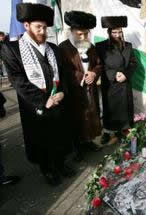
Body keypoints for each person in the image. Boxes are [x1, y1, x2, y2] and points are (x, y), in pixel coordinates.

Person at [1, 3, 74, 186]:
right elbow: (17, 80)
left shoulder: (53, 48)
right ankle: (47, 170)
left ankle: (60, 164)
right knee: (41, 140)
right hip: (35, 106)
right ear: (26, 26)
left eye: (44, 27)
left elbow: (63, 74)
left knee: (59, 136)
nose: (42, 31)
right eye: (38, 27)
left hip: (57, 101)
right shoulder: (12, 49)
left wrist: (63, 92)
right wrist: (43, 100)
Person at [59, 11, 102, 161]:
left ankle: (89, 142)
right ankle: (77, 148)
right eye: (79, 34)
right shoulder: (63, 48)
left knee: (90, 116)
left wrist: (94, 74)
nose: (83, 37)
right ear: (71, 32)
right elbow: (63, 70)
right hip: (74, 91)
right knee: (77, 118)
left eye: (85, 34)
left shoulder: (91, 47)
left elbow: (98, 64)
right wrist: (81, 77)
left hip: (90, 89)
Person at [95, 16, 137, 144]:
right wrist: (113, 74)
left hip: (124, 84)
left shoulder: (128, 46)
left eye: (120, 32)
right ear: (109, 32)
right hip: (110, 84)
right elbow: (99, 65)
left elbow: (133, 64)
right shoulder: (101, 46)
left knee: (125, 109)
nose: (117, 35)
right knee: (110, 110)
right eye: (114, 32)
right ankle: (108, 132)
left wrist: (125, 74)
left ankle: (124, 130)